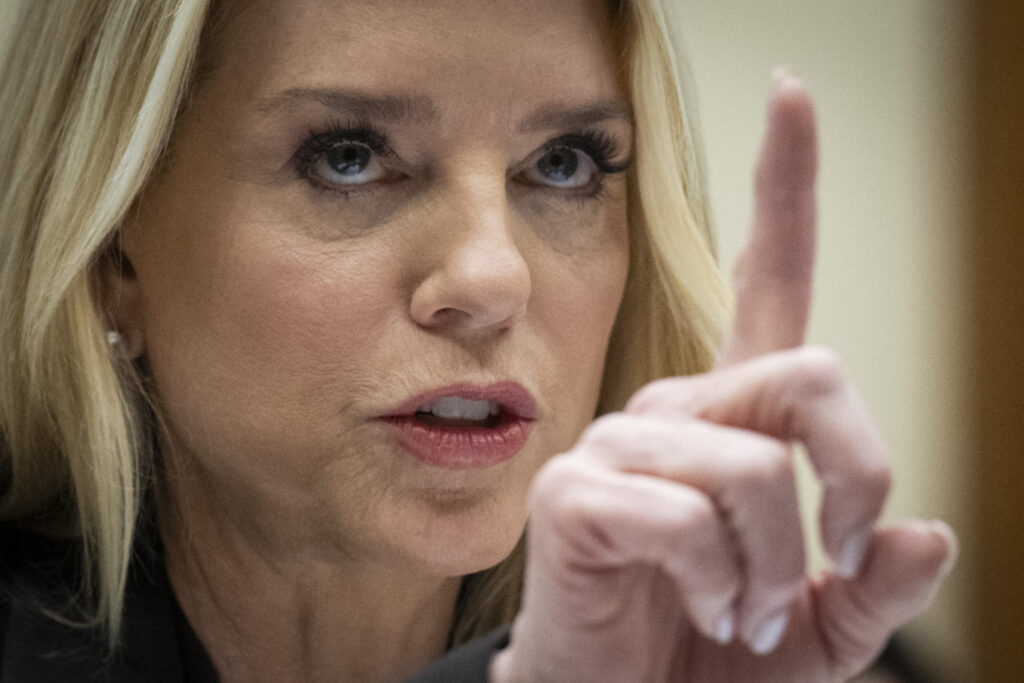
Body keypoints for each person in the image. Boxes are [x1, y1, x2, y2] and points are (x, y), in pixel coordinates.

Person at [0, 0, 956, 680]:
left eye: (563, 163)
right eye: (348, 157)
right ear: (113, 250)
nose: (494, 278)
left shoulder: (782, 655)